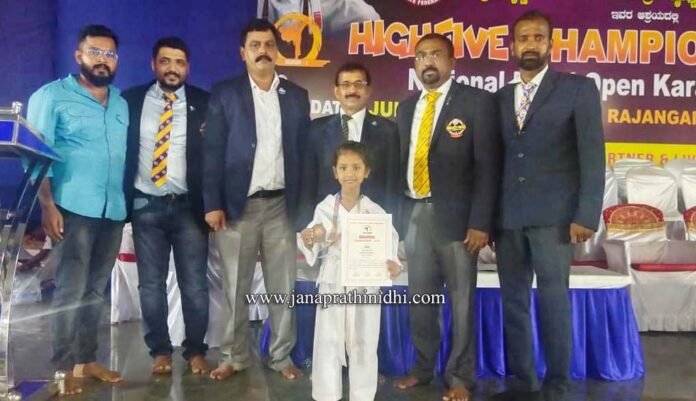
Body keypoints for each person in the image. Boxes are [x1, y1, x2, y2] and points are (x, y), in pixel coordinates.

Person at [491, 10, 605, 401]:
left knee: (554, 301)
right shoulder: (500, 98)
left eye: (538, 37)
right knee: (514, 303)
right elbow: (495, 162)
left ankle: (557, 387)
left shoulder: (577, 89)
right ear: (512, 45)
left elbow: (593, 157)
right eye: (523, 38)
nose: (531, 44)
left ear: (551, 45)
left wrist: (586, 214)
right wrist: (488, 218)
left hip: (556, 219)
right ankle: (522, 384)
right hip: (508, 218)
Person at [392, 33, 501, 401]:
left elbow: (488, 167)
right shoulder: (407, 107)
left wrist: (481, 222)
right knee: (420, 301)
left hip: (459, 222)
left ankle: (460, 377)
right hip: (415, 214)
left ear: (452, 62)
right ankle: (423, 369)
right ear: (414, 64)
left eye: (436, 55)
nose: (428, 62)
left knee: (461, 303)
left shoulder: (476, 102)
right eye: (421, 56)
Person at [203, 18, 310, 381]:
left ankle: (281, 356)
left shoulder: (296, 96)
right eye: (255, 45)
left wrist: (303, 209)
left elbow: (303, 155)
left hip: (282, 206)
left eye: (268, 44)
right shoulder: (226, 93)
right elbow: (212, 151)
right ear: (243, 52)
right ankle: (233, 356)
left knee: (283, 286)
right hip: (238, 206)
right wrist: (212, 203)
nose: (262, 51)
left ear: (277, 51)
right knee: (235, 286)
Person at [26, 24, 128, 395]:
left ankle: (87, 360)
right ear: (78, 55)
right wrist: (47, 206)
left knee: (96, 291)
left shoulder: (120, 102)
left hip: (112, 209)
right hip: (71, 208)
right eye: (95, 52)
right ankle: (63, 367)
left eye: (109, 54)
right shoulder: (51, 96)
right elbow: (36, 155)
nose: (102, 60)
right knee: (71, 290)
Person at [121, 37, 211, 376]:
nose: (172, 68)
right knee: (150, 286)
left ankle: (195, 351)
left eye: (179, 62)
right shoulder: (131, 100)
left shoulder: (204, 102)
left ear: (188, 67)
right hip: (146, 205)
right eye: (165, 61)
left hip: (190, 208)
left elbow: (216, 156)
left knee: (195, 286)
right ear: (153, 64)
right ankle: (159, 351)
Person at [298, 141, 401, 401]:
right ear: (335, 172)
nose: (350, 173)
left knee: (365, 340)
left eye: (356, 167)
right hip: (333, 281)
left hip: (365, 284)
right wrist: (312, 236)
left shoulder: (374, 211)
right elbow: (313, 236)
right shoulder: (325, 208)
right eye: (343, 167)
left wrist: (393, 264)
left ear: (366, 172)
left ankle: (363, 395)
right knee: (328, 339)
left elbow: (389, 244)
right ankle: (326, 394)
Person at [299, 62, 399, 226]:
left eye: (359, 84)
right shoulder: (316, 129)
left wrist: (392, 226)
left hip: (372, 222)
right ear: (337, 91)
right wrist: (305, 224)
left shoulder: (388, 131)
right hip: (327, 220)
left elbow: (392, 184)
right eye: (345, 85)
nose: (352, 90)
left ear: (368, 90)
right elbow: (308, 182)